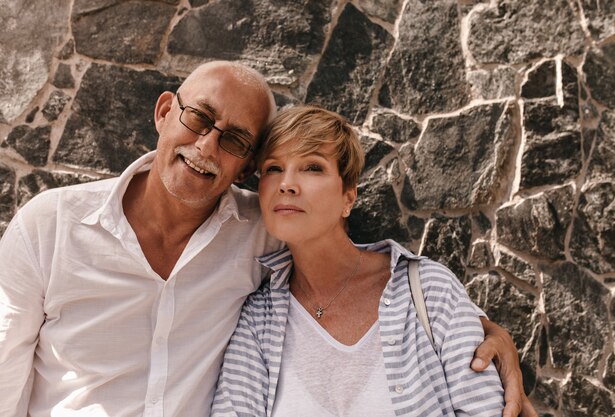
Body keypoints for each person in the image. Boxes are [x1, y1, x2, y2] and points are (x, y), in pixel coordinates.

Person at [0, 61, 535, 417]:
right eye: (198, 118)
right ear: (165, 112)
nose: (207, 147)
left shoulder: (265, 230)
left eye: (233, 140)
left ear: (244, 166)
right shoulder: (49, 227)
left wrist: (477, 330)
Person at [211, 105, 507, 416]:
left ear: (348, 198)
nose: (286, 183)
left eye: (312, 167)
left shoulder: (429, 291)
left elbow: (484, 410)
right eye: (273, 168)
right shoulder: (258, 319)